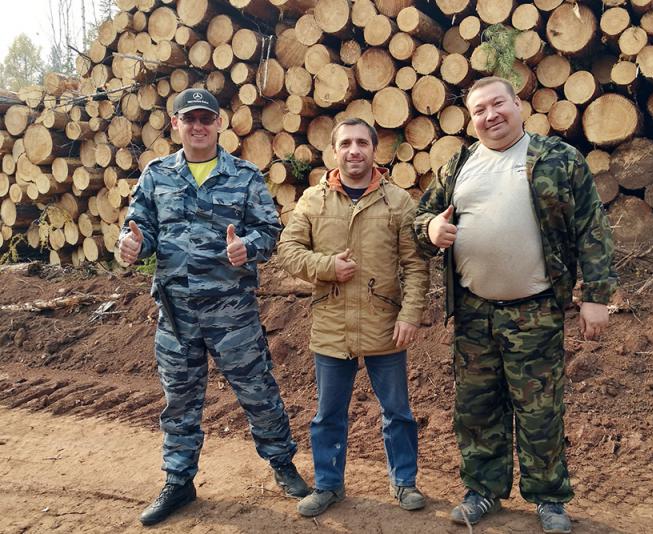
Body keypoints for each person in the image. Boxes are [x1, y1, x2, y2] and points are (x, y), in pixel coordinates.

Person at [413, 77, 617, 534]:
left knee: (540, 411)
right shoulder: (459, 165)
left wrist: (596, 297)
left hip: (534, 310)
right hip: (474, 312)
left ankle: (549, 498)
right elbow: (418, 219)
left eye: (497, 104)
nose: (490, 116)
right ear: (471, 120)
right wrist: (430, 230)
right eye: (479, 110)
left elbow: (592, 228)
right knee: (476, 408)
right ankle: (483, 490)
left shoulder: (558, 159)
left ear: (518, 104)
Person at [118, 88, 310, 527]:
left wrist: (248, 247)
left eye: (206, 118)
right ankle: (178, 480)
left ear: (219, 123)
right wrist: (131, 245)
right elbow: (138, 228)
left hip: (231, 312)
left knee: (258, 392)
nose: (199, 126)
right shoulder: (156, 175)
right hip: (176, 314)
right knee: (179, 402)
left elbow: (270, 231)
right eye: (190, 119)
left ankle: (282, 464)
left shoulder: (244, 175)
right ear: (176, 124)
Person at [277, 118, 430, 517]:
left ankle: (404, 481)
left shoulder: (398, 201)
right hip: (332, 324)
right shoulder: (313, 200)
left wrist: (411, 314)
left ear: (374, 149)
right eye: (345, 143)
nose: (354, 150)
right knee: (328, 415)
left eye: (362, 142)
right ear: (334, 151)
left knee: (398, 412)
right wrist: (327, 266)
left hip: (385, 323)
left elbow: (416, 265)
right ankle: (328, 485)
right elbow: (288, 249)